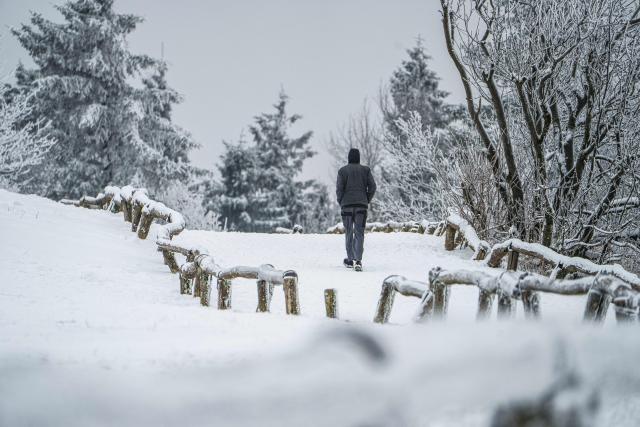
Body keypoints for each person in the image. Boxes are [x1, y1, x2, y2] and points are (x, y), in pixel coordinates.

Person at [336, 148, 376, 272]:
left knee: (349, 232)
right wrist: (366, 199)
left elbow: (339, 189)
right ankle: (358, 261)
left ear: (349, 157)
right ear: (358, 157)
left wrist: (341, 201)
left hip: (346, 206)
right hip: (361, 206)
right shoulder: (366, 170)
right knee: (359, 232)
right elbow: (373, 187)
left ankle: (350, 259)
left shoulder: (342, 171)